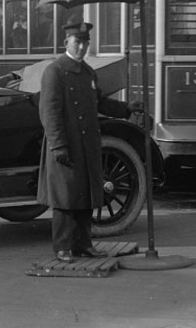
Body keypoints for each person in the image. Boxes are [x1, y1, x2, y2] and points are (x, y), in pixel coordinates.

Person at [36, 22, 140, 263]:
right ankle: (62, 247)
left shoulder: (87, 73)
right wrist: (58, 145)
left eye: (85, 43)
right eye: (77, 42)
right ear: (66, 43)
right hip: (65, 145)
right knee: (64, 198)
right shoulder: (55, 71)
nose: (81, 47)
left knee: (85, 195)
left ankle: (83, 245)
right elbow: (49, 113)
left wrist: (125, 108)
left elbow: (100, 102)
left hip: (87, 146)